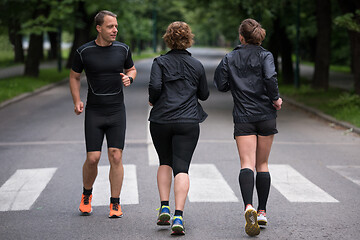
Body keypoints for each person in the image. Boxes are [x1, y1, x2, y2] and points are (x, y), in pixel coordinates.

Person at [214, 18, 282, 237]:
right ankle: (262, 212)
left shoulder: (231, 57)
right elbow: (270, 77)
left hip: (243, 116)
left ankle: (248, 207)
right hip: (265, 115)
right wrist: (276, 98)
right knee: (262, 164)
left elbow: (221, 84)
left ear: (241, 36)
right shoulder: (266, 55)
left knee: (246, 164)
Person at [69, 10, 137, 218]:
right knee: (93, 158)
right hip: (95, 111)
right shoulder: (84, 51)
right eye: (110, 26)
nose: (115, 30)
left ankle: (115, 203)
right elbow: (74, 76)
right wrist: (77, 100)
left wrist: (129, 78)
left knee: (115, 156)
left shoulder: (123, 49)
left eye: (116, 26)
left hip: (116, 111)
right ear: (99, 28)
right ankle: (86, 195)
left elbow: (132, 69)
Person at [148, 21, 209, 235]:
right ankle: (178, 216)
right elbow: (204, 95)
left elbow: (155, 87)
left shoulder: (160, 62)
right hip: (188, 121)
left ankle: (164, 206)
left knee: (165, 162)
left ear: (168, 38)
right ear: (188, 39)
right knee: (181, 168)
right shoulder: (197, 65)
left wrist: (153, 99)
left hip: (161, 120)